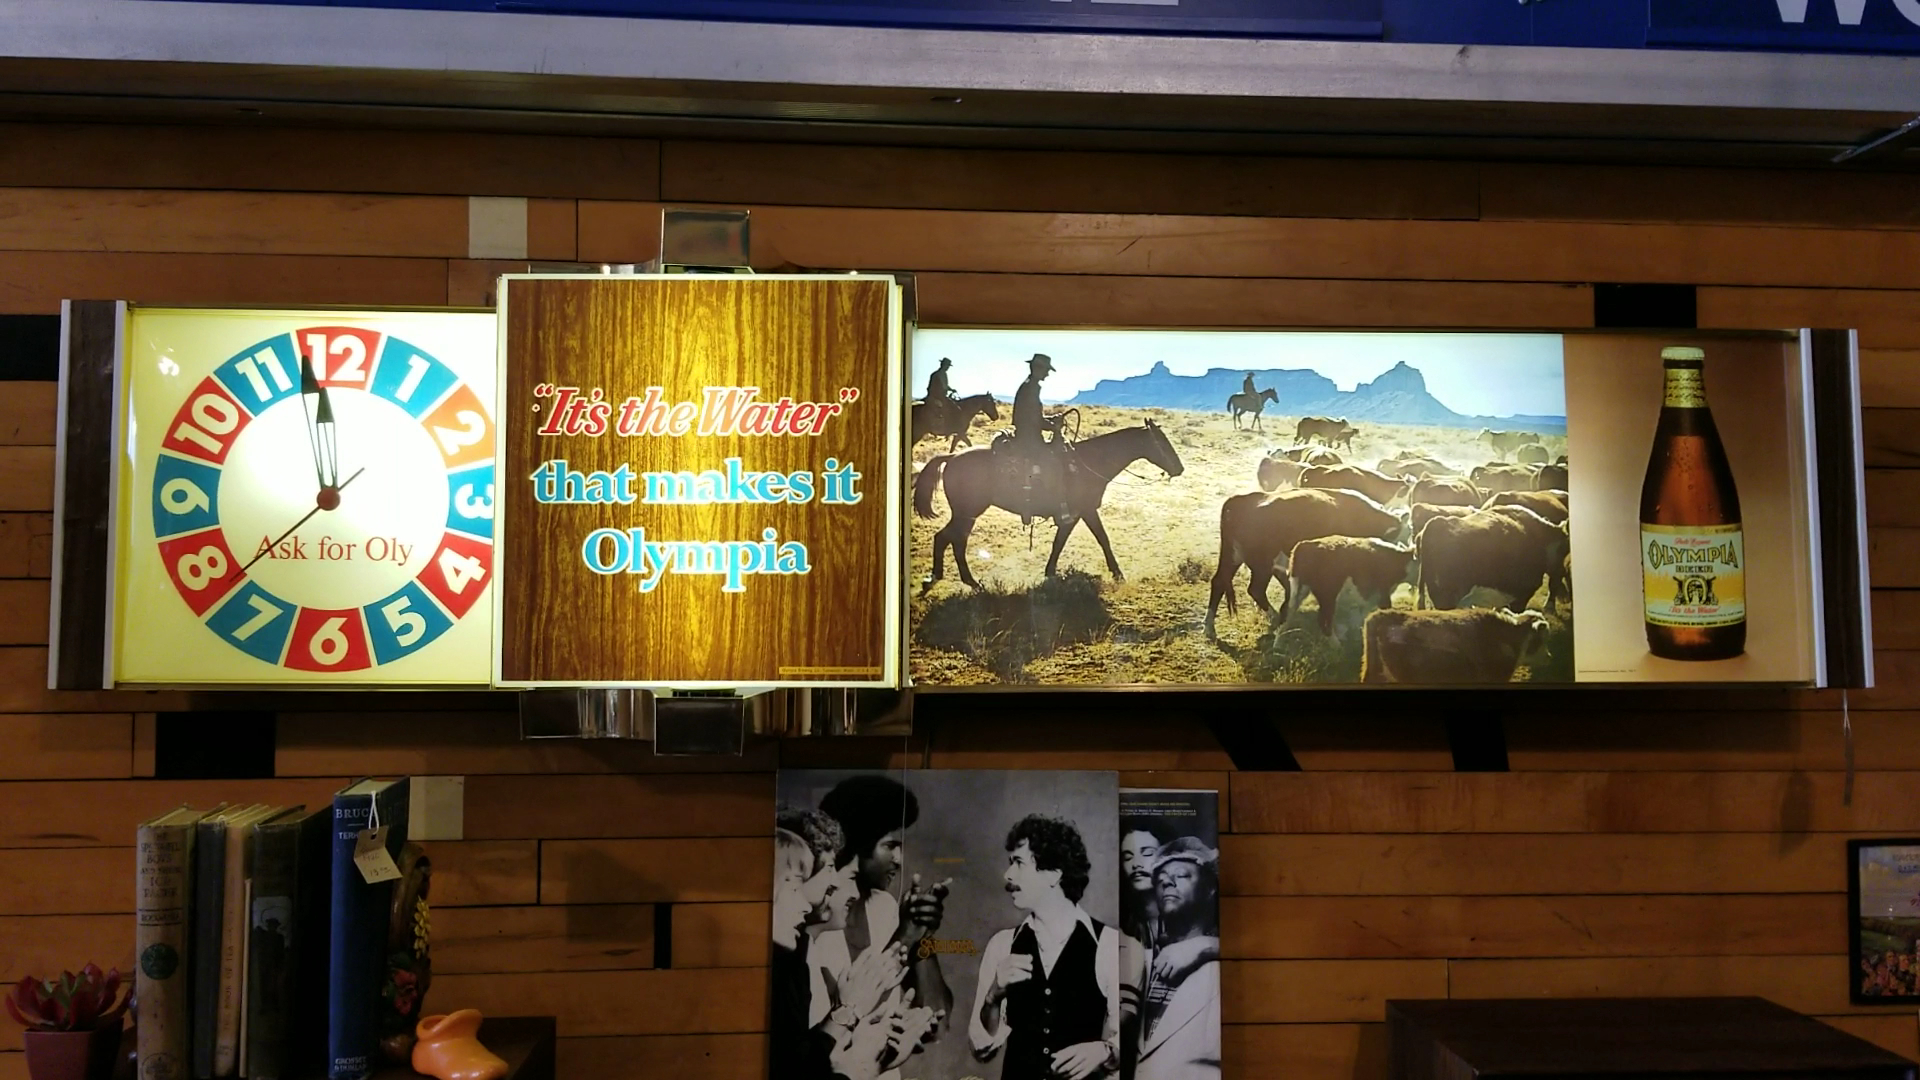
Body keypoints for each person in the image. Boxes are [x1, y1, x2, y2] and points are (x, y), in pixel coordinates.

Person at [971, 815, 1121, 1080]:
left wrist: (1105, 1051)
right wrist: (993, 997)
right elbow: (981, 1049)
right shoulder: (1002, 944)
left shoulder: (1108, 945)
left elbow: (1133, 1041)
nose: (1007, 875)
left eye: (1019, 863)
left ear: (1054, 874)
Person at [813, 776, 955, 1033]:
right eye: (890, 846)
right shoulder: (817, 916)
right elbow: (841, 1028)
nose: (899, 860)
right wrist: (905, 935)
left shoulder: (885, 907)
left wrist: (921, 934)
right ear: (857, 844)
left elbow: (938, 1023)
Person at [1134, 838, 1221, 1080]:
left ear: (1210, 888)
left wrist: (1205, 947)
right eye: (1160, 879)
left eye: (1181, 875)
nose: (1167, 882)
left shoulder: (1219, 966)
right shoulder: (1141, 959)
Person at [1010, 352, 1073, 525]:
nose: (1047, 374)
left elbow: (1033, 416)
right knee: (1054, 464)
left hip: (1027, 435)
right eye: (1046, 370)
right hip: (1028, 438)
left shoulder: (1029, 386)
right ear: (1037, 369)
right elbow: (1033, 420)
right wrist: (1053, 426)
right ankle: (1055, 507)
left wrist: (1051, 421)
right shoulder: (1031, 388)